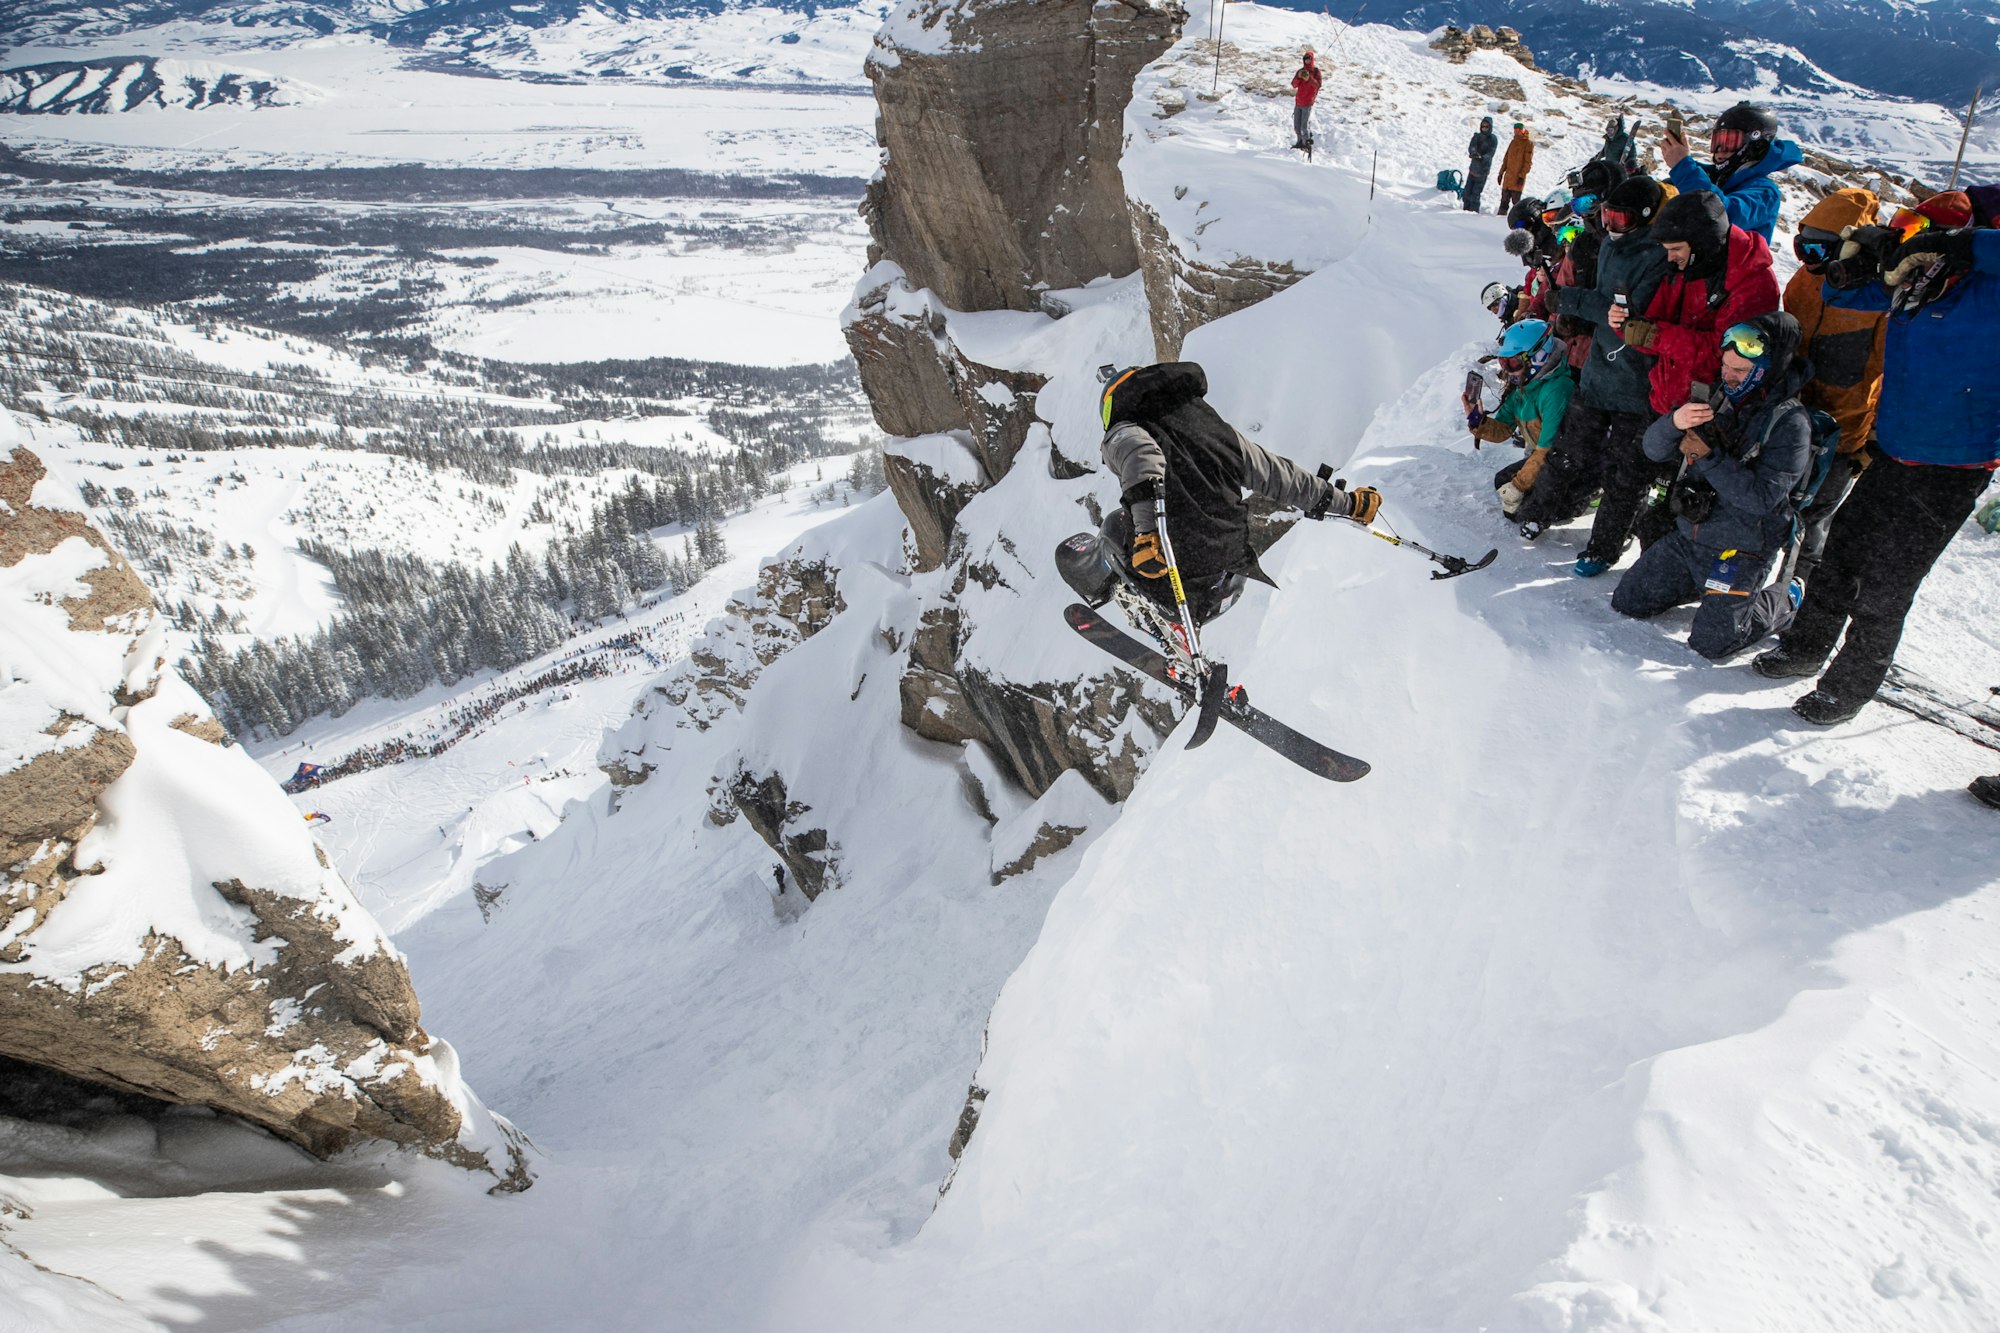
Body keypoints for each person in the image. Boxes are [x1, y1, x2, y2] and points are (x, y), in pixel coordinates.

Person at [1750, 223, 2000, 725]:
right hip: (1893, 450)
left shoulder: (1986, 288)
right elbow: (1839, 290)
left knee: (1887, 583)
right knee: (1842, 553)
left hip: (1953, 466)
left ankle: (1848, 689)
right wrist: (1868, 256)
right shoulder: (1915, 286)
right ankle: (1805, 648)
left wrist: (1960, 246)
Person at [1071, 362, 1381, 626]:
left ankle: (1127, 595)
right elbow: (1278, 475)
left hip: (1178, 575)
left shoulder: (1123, 432)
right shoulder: (1215, 429)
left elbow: (1142, 458)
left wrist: (1147, 534)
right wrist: (1348, 503)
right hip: (1231, 569)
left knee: (1113, 525)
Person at [1575, 189, 1778, 577]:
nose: (1671, 257)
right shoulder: (1687, 267)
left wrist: (1653, 335)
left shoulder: (1752, 282)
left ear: (1703, 241)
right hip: (1664, 395)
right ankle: (1603, 548)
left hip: (1710, 411)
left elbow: (1724, 357)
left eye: (1676, 248)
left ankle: (1664, 574)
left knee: (1680, 500)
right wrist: (1630, 323)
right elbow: (1658, 320)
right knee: (1627, 473)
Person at [1610, 313, 1809, 659]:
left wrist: (1709, 457)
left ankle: (1785, 597)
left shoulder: (1790, 424)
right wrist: (1674, 422)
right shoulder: (1713, 397)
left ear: (1766, 368)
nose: (1728, 376)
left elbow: (1762, 498)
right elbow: (1653, 449)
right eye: (1726, 366)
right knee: (1628, 601)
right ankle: (1707, 591)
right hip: (1691, 536)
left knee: (1711, 643)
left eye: (1740, 371)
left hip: (1741, 549)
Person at [1515, 175, 1672, 539]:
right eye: (1606, 217)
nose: (1609, 226)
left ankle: (1604, 544)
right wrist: (1561, 310)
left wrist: (1572, 302)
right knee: (1572, 447)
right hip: (1597, 368)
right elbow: (1605, 307)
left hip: (1634, 379)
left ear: (1645, 216)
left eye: (1620, 219)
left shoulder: (1656, 256)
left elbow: (1625, 312)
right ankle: (1541, 510)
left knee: (1624, 467)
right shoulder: (1601, 247)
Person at [1781, 187, 1887, 584]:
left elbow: (1887, 371)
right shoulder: (1804, 281)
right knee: (1775, 506)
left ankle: (1798, 594)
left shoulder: (1877, 295)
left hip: (1842, 431)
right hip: (1791, 416)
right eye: (1802, 247)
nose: (1809, 260)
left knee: (1813, 521)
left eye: (1819, 250)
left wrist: (1871, 440)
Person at [1466, 319, 1575, 518]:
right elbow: (1503, 430)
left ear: (1539, 356)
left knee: (1527, 511)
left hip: (1565, 462)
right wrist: (1477, 421)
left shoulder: (1557, 390)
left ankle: (1590, 498)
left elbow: (1548, 450)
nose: (1507, 369)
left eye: (1512, 362)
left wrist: (1519, 485)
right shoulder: (1525, 387)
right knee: (1502, 482)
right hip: (1546, 457)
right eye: (1503, 362)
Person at [1661, 101, 1801, 244]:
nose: (1720, 150)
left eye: (1730, 142)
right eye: (1717, 142)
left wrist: (1683, 167)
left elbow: (1722, 214)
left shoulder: (1765, 193)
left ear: (1755, 145)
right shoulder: (1715, 178)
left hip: (1731, 265)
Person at [1496, 121, 1534, 215]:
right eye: (1515, 130)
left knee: (1516, 204)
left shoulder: (1528, 144)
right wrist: (1501, 173)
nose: (1516, 132)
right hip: (1508, 178)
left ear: (1523, 131)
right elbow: (1506, 158)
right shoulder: (1513, 142)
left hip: (1517, 179)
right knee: (1504, 201)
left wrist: (1521, 176)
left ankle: (1517, 220)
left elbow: (1527, 163)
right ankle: (1499, 218)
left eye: (1519, 130)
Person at [1290, 49, 1323, 151]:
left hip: (1308, 102)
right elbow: (1294, 85)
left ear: (1312, 60)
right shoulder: (1300, 71)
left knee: (1304, 126)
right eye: (1305, 59)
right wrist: (1299, 77)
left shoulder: (1316, 72)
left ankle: (1306, 144)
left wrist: (1309, 79)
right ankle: (1299, 142)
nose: (1307, 61)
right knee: (1297, 125)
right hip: (1299, 101)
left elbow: (1318, 85)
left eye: (1308, 59)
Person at [1464, 117, 1498, 213]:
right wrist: (1473, 153)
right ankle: (1464, 211)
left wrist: (1482, 158)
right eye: (1482, 126)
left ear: (1490, 127)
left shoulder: (1493, 139)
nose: (1484, 128)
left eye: (1486, 127)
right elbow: (1472, 146)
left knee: (1475, 194)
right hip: (1473, 169)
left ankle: (1473, 213)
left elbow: (1491, 153)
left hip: (1483, 171)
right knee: (1467, 193)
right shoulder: (1477, 136)